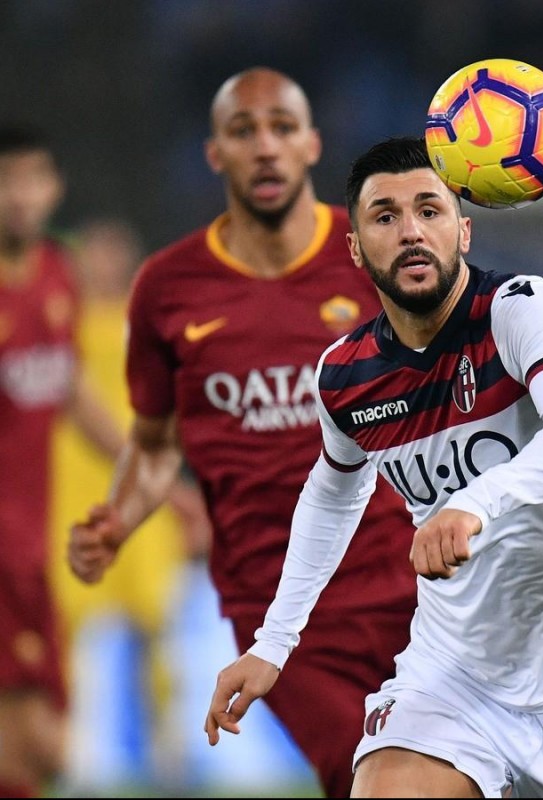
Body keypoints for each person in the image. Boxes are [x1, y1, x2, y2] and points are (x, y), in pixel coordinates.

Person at [205, 136, 543, 798]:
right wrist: (273, 644)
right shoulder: (345, 374)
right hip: (456, 674)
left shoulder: (522, 311)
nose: (411, 231)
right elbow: (333, 496)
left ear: (463, 230)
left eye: (430, 210)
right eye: (385, 216)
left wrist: (475, 501)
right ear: (357, 247)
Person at [67, 69, 418, 798]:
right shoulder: (168, 288)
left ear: (312, 144)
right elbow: (158, 442)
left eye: (282, 128)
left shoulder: (369, 257)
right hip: (280, 616)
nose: (266, 147)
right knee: (372, 780)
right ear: (214, 154)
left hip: (409, 585)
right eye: (243, 131)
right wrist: (121, 516)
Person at [49, 217, 211, 789]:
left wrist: (184, 489)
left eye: (115, 252)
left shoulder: (149, 325)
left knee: (157, 624)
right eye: (95, 251)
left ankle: (171, 751)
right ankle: (69, 752)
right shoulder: (59, 322)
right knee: (65, 629)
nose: (105, 263)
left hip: (144, 495)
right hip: (71, 489)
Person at [0, 127, 124, 798]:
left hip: (30, 547)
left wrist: (146, 466)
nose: (19, 196)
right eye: (5, 180)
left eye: (31, 179)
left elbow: (69, 384)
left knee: (41, 747)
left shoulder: (55, 273)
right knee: (34, 746)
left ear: (53, 188)